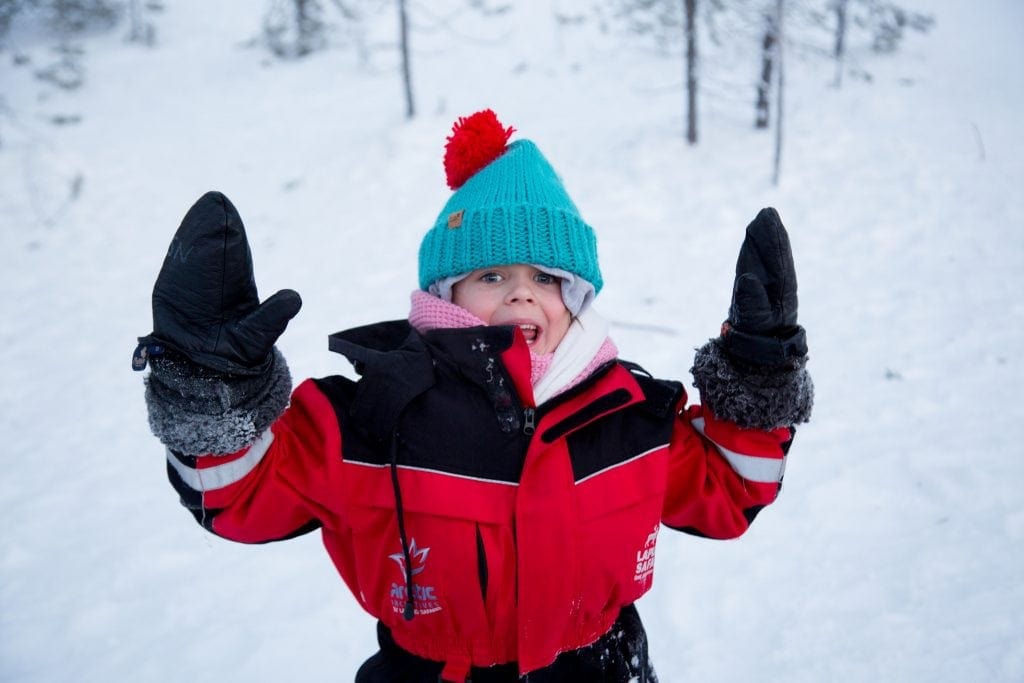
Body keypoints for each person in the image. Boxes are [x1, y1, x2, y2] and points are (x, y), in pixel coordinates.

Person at [133, 109, 813, 682]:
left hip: (603, 665)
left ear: (574, 298)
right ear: (445, 294)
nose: (522, 291)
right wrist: (211, 390)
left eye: (547, 276)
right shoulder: (372, 418)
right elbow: (241, 492)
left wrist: (757, 375)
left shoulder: (629, 416)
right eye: (492, 272)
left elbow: (729, 484)